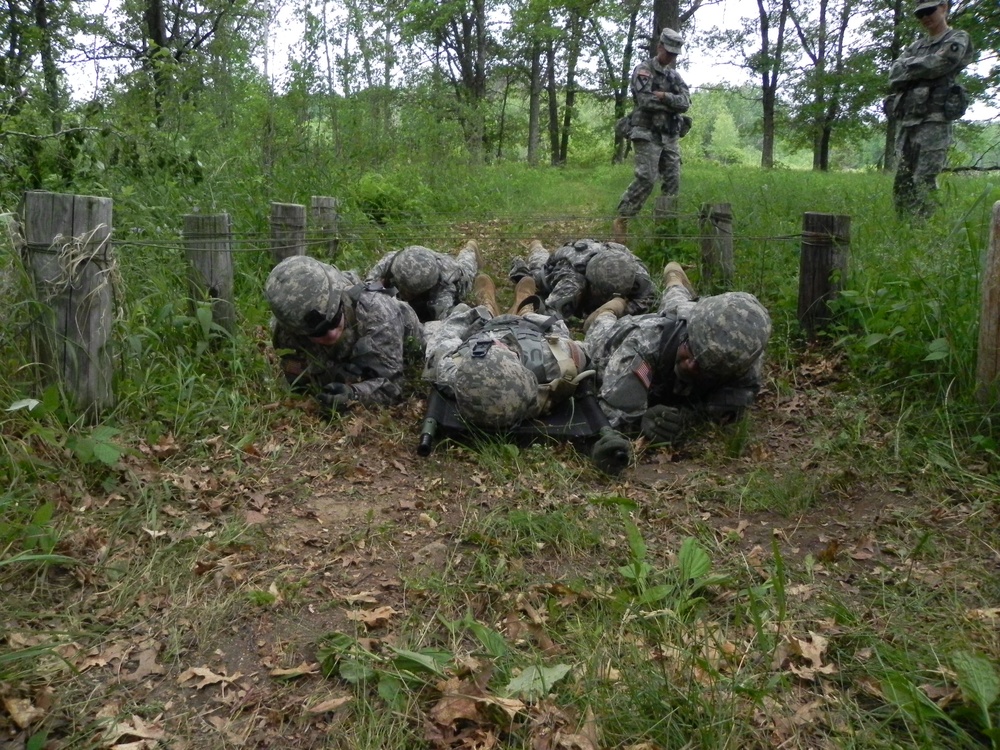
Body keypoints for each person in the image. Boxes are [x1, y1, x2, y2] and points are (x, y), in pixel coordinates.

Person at [422, 273, 633, 474]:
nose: (499, 344)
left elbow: (445, 335)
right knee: (536, 316)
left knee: (479, 313)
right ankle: (524, 304)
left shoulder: (452, 371)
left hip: (482, 327)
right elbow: (566, 337)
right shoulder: (555, 362)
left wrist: (471, 314)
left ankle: (487, 304)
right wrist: (531, 319)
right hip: (529, 328)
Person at [583, 262, 771, 445]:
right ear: (688, 333)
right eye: (691, 351)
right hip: (623, 333)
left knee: (679, 302)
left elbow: (727, 407)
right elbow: (612, 416)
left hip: (690, 314)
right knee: (600, 332)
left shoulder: (740, 356)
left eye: (701, 366)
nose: (690, 364)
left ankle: (675, 280)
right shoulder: (642, 344)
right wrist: (640, 421)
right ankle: (609, 309)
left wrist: (686, 417)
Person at [265, 255, 425, 414]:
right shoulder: (287, 332)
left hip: (410, 335)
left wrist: (354, 395)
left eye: (334, 320)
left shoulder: (377, 313)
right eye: (318, 332)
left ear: (340, 301)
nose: (332, 334)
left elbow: (394, 385)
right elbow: (298, 380)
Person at [887, 1, 974, 218]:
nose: (925, 17)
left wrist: (910, 66)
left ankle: (927, 228)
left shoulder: (957, 38)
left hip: (934, 120)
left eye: (929, 11)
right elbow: (893, 73)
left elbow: (943, 63)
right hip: (908, 119)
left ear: (943, 8)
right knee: (902, 180)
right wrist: (922, 66)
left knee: (924, 179)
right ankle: (905, 228)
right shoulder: (916, 46)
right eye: (920, 14)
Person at [612, 28, 692, 244]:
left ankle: (666, 237)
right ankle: (623, 219)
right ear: (659, 47)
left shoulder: (674, 76)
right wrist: (672, 102)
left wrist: (664, 96)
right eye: (669, 52)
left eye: (675, 54)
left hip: (670, 136)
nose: (671, 57)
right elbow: (645, 101)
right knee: (647, 178)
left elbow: (685, 103)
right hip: (646, 133)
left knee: (673, 182)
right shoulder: (643, 70)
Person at [507, 239, 658, 326]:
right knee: (537, 276)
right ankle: (536, 248)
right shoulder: (572, 282)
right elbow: (550, 316)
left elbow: (647, 298)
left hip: (601, 251)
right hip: (564, 261)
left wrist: (620, 311)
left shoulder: (635, 274)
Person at [364, 241, 482, 322]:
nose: (406, 295)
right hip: (419, 257)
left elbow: (445, 318)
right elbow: (368, 287)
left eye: (410, 293)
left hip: (448, 268)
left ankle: (470, 250)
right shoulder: (392, 261)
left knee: (467, 269)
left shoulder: (443, 287)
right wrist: (380, 289)